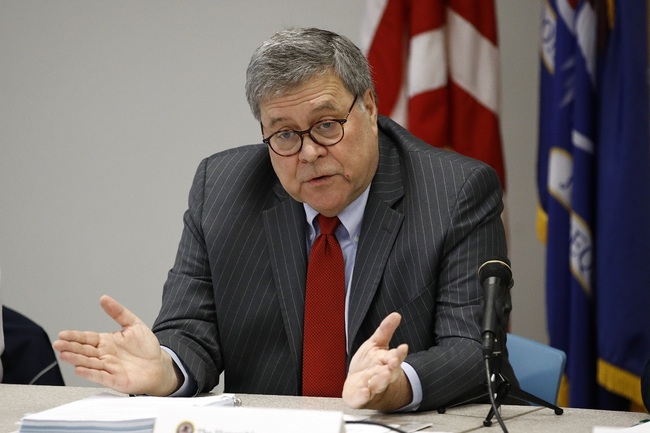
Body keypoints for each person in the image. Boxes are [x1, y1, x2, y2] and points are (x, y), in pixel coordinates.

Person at [53, 27, 516, 412]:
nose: (310, 152)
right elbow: (190, 329)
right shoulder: (222, 189)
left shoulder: (454, 192)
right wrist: (166, 369)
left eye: (327, 124)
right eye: (285, 134)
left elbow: (474, 349)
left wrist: (394, 387)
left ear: (370, 108)